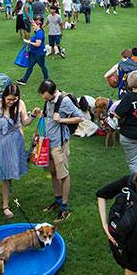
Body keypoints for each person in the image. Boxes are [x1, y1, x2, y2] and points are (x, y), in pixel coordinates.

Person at [0, 84, 34, 222]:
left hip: (12, 143)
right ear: (4, 96)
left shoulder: (20, 104)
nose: (11, 102)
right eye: (9, 99)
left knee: (7, 177)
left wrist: (32, 115)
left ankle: (5, 206)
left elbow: (25, 123)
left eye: (14, 99)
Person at [32, 80, 81, 222]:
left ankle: (64, 209)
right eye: (44, 99)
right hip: (48, 143)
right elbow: (50, 115)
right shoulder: (49, 100)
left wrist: (62, 120)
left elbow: (80, 116)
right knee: (53, 173)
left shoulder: (64, 101)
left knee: (63, 175)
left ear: (54, 92)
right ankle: (58, 200)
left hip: (59, 144)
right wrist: (42, 113)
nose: (46, 100)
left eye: (47, 98)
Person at [18, 16, 49, 86]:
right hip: (33, 53)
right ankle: (24, 80)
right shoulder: (37, 32)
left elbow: (38, 44)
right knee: (30, 66)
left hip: (39, 53)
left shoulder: (39, 33)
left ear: (38, 26)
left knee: (42, 66)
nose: (33, 27)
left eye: (34, 25)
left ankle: (47, 80)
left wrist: (29, 42)